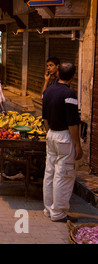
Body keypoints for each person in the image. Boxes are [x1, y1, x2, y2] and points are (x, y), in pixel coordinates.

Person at [42, 62, 82, 223]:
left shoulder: (48, 91)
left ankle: (48, 208)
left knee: (50, 173)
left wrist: (49, 133)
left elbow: (45, 118)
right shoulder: (70, 94)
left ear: (58, 73)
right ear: (73, 76)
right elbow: (73, 123)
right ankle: (58, 212)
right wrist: (77, 144)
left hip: (51, 134)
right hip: (64, 137)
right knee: (63, 174)